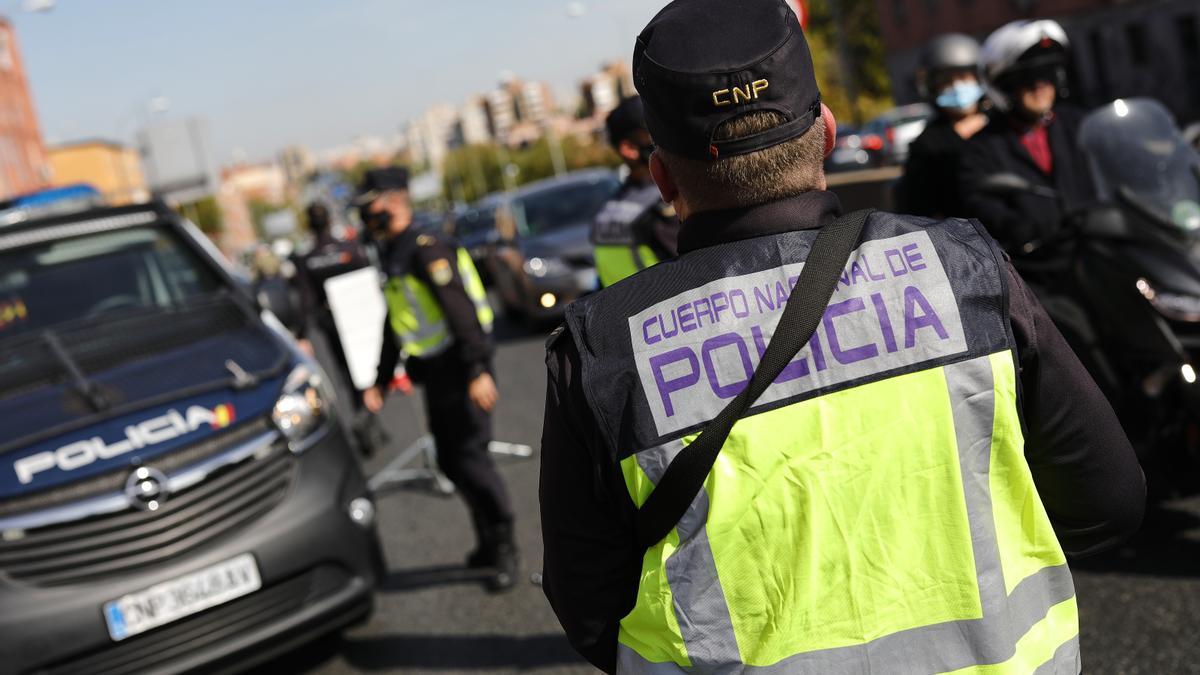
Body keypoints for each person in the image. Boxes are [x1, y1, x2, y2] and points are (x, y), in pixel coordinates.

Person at [539, 1, 1144, 672]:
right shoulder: (962, 267)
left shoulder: (599, 351)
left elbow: (589, 605)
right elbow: (1108, 498)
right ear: (826, 132)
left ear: (661, 176)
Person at [356, 167, 518, 592]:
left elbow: (460, 312)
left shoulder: (426, 249)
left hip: (462, 367)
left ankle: (504, 546)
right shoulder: (393, 251)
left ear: (392, 203)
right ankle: (486, 539)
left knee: (472, 459)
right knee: (450, 460)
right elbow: (396, 323)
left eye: (369, 206)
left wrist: (477, 370)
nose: (363, 216)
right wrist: (379, 379)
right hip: (439, 372)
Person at [959, 20, 1096, 254]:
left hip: (1100, 250)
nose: (1041, 85)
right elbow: (982, 206)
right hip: (1041, 268)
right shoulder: (981, 149)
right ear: (1005, 85)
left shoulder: (1081, 125)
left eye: (1048, 72)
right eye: (1029, 76)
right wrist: (1026, 229)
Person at [291, 202, 387, 455]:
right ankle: (369, 418)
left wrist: (302, 334)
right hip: (360, 320)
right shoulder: (349, 248)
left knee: (348, 373)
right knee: (370, 368)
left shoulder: (307, 257)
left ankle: (366, 417)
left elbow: (305, 298)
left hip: (332, 323)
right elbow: (369, 278)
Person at [592, 95, 681, 287]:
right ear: (629, 148)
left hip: (629, 314)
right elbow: (702, 272)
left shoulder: (608, 211)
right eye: (655, 129)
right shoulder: (661, 207)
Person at [898, 33, 989, 218]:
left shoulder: (1003, 126)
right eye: (947, 81)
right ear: (932, 87)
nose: (957, 87)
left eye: (964, 77)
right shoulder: (927, 145)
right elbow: (918, 208)